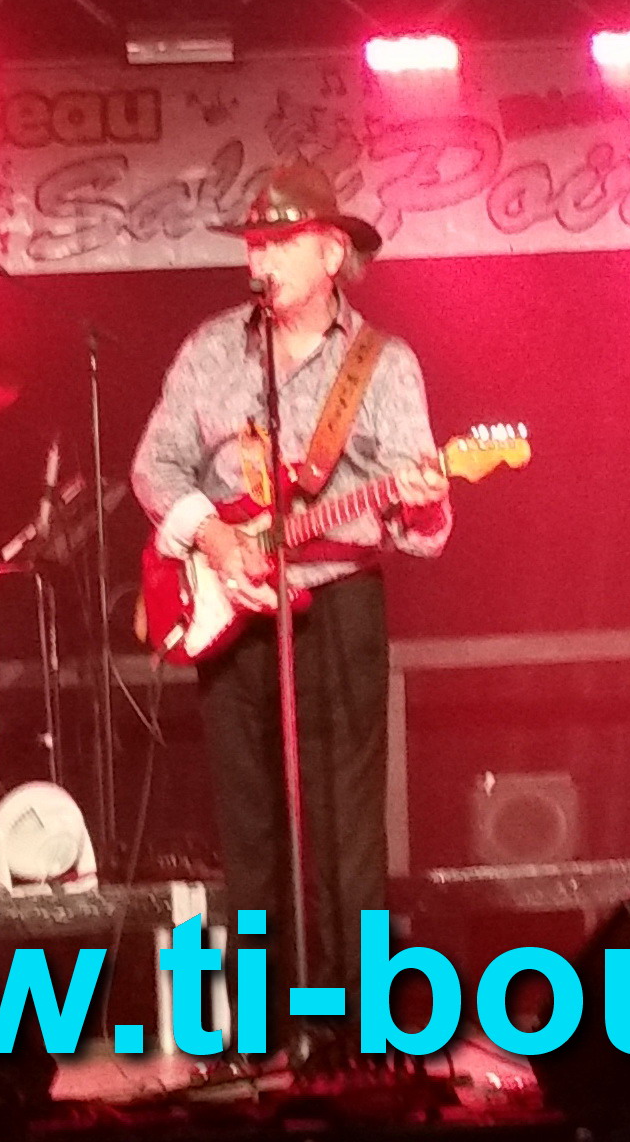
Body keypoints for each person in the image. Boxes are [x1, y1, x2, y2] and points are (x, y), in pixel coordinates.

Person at [131, 162, 449, 1045]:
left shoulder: (382, 365)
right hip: (233, 609)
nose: (258, 261)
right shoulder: (210, 350)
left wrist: (425, 498)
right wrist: (213, 537)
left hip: (338, 605)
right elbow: (153, 466)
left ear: (330, 254)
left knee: (349, 828)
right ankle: (264, 1034)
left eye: (277, 243)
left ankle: (360, 1031)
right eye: (254, 245)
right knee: (249, 827)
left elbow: (420, 531)